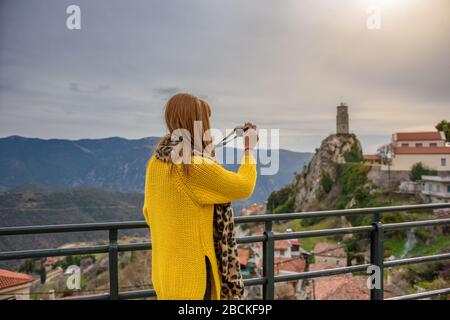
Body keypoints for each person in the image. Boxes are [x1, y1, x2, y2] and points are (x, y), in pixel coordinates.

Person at [142, 93, 258, 300]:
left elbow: (148, 213)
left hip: (166, 275)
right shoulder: (190, 166)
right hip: (194, 280)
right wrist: (249, 149)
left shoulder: (156, 162)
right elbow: (243, 186)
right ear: (198, 124)